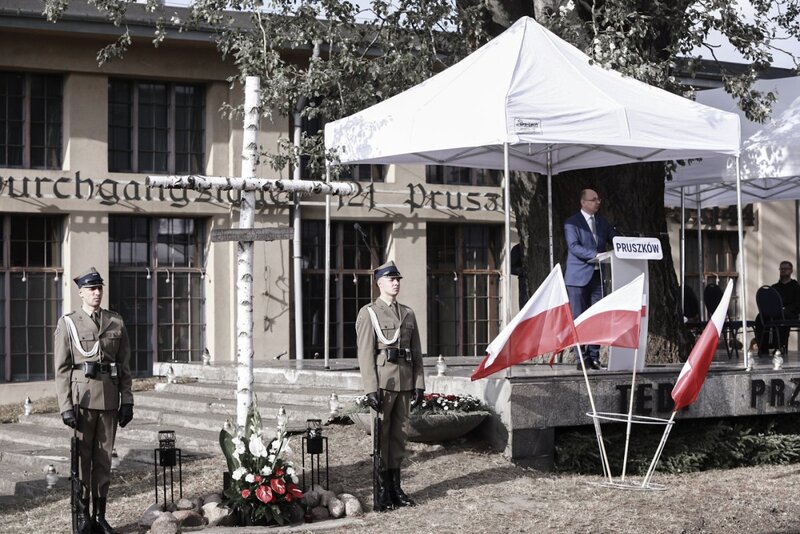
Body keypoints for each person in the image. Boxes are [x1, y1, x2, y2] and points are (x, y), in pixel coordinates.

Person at [55, 267, 133, 534]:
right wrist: (65, 407)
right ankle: (83, 517)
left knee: (103, 461)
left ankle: (100, 516)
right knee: (81, 462)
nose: (97, 293)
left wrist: (128, 400)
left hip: (109, 400)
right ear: (81, 293)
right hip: (82, 402)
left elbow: (124, 366)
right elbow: (62, 370)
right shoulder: (69, 323)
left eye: (99, 288)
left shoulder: (116, 322)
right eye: (91, 289)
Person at [355, 260, 425, 511]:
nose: (396, 283)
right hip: (383, 384)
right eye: (391, 279)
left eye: (398, 279)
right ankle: (382, 491)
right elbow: (365, 355)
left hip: (405, 382)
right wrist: (370, 389)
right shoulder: (369, 313)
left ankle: (396, 488)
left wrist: (419, 383)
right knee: (381, 438)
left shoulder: (408, 313)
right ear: (379, 283)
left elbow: (415, 351)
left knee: (399, 437)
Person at [564, 188, 616, 370]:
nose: (597, 202)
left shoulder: (603, 222)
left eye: (598, 199)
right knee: (578, 318)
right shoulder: (572, 223)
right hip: (577, 278)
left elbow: (614, 238)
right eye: (593, 200)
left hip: (597, 276)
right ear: (583, 202)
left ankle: (594, 356)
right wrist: (597, 254)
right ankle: (581, 358)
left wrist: (626, 245)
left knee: (598, 316)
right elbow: (574, 247)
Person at [755, 260, 800, 355]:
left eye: (786, 269)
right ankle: (763, 347)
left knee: (781, 317)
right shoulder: (774, 288)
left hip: (790, 314)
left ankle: (779, 346)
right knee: (760, 317)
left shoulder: (796, 287)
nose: (783, 271)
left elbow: (797, 304)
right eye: (781, 269)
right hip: (775, 312)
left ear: (791, 271)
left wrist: (785, 309)